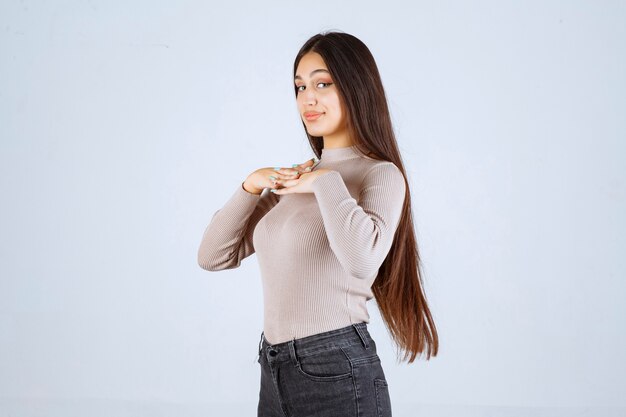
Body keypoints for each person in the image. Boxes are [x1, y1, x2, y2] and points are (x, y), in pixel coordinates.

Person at [197, 30, 439, 417]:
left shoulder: (379, 174)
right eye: (299, 86)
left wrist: (326, 181)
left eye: (322, 83)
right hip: (273, 367)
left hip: (335, 368)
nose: (307, 98)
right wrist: (251, 185)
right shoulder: (298, 178)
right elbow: (213, 256)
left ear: (356, 87)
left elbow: (362, 261)